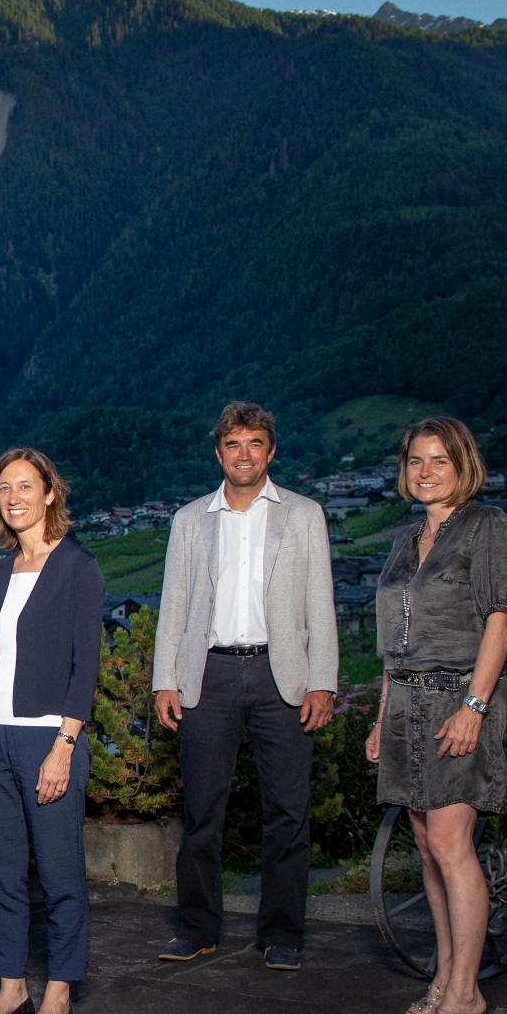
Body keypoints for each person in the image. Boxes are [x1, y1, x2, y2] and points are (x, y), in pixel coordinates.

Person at [153, 402, 338, 972]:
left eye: (255, 443)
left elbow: (319, 604)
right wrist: (165, 679)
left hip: (280, 676)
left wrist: (322, 682)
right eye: (234, 444)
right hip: (206, 674)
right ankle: (197, 928)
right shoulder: (190, 520)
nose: (245, 454)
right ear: (219, 453)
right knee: (203, 810)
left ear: (271, 451)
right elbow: (175, 605)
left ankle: (282, 933)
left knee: (287, 810)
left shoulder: (304, 515)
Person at [368, 418, 507, 1014]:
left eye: (439, 459)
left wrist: (474, 706)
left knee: (453, 844)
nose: (425, 470)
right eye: (414, 460)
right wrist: (381, 716)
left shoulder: (488, 529)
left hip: (457, 695)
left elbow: (499, 618)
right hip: (405, 700)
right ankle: (443, 972)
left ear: (464, 465)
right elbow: (392, 646)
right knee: (428, 845)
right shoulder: (409, 539)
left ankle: (467, 994)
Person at [0, 448, 104, 1014]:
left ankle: (60, 989)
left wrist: (64, 747)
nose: (14, 498)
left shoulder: (78, 568)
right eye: (4, 489)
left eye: (25, 486)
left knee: (61, 870)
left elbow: (83, 669)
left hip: (48, 739)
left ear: (49, 494)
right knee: (0, 872)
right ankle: (12, 987)